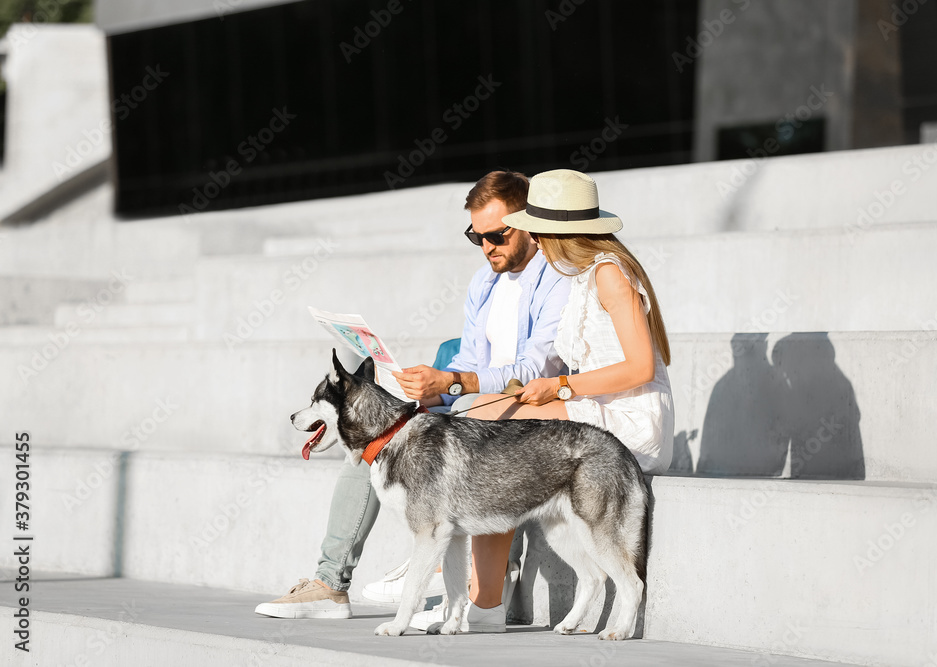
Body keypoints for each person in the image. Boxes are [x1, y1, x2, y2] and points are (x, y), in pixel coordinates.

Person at [254, 170, 570, 626]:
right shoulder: (484, 283)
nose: (487, 247)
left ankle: (437, 557)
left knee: (413, 435)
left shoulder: (556, 279)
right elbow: (469, 356)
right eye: (475, 237)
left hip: (525, 411)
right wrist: (419, 387)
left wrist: (454, 383)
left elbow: (535, 370)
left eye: (498, 234)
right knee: (369, 433)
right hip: (472, 404)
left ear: (529, 223)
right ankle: (331, 584)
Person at [450, 168, 675, 630]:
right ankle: (475, 578)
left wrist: (561, 388)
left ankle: (475, 580)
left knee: (490, 417)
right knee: (483, 413)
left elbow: (641, 369)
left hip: (630, 416)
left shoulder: (610, 275)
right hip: (596, 407)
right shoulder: (576, 276)